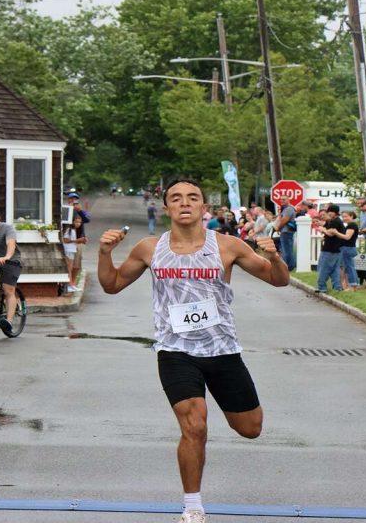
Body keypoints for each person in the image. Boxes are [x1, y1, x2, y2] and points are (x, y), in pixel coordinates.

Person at [98, 178, 289, 523]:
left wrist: (274, 257)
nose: (184, 203)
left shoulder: (229, 246)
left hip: (222, 350)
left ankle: (195, 493)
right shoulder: (149, 248)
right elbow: (111, 285)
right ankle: (193, 507)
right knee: (194, 426)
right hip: (175, 350)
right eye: (176, 198)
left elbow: (279, 280)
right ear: (167, 207)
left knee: (250, 428)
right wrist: (103, 254)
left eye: (192, 198)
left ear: (203, 208)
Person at [314, 205, 345, 293]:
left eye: (330, 212)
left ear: (335, 212)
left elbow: (330, 233)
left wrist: (322, 229)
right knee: (335, 270)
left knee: (323, 268)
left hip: (329, 249)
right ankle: (337, 287)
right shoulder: (334, 221)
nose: (329, 213)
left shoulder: (336, 221)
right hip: (335, 249)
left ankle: (321, 287)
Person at [61, 214, 85, 293]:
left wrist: (80, 240)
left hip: (72, 250)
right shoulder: (69, 229)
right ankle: (69, 285)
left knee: (70, 268)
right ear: (73, 222)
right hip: (68, 250)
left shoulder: (74, 230)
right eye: (76, 222)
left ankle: (71, 285)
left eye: (80, 222)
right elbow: (65, 240)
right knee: (69, 268)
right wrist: (77, 241)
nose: (78, 224)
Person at [337, 210, 360, 290]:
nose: (344, 218)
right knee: (347, 267)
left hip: (348, 248)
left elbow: (347, 237)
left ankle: (353, 286)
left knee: (349, 267)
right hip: (347, 248)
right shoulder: (349, 225)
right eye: (343, 217)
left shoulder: (352, 225)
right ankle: (348, 285)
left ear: (351, 216)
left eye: (346, 216)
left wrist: (336, 233)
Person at [274, 197, 297, 270]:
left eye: (284, 199)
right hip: (285, 231)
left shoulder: (289, 209)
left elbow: (284, 220)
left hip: (286, 231)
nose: (282, 201)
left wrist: (278, 227)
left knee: (286, 250)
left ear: (288, 200)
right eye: (281, 199)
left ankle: (287, 266)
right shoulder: (285, 209)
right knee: (287, 249)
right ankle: (290, 266)